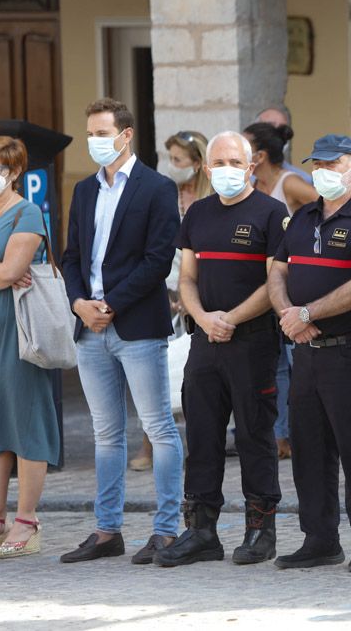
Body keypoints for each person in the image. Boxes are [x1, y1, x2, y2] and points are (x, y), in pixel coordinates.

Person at [151, 131, 287, 567]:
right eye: (219, 162)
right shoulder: (198, 214)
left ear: (251, 167)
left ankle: (260, 530)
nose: (227, 169)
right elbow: (186, 278)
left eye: (236, 161)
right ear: (207, 169)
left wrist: (232, 318)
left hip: (253, 342)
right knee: (203, 437)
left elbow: (275, 283)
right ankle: (202, 531)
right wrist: (205, 318)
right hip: (204, 341)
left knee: (254, 435)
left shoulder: (272, 213)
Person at [60, 98, 184, 566]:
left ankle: (167, 531)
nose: (95, 141)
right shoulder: (84, 190)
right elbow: (72, 257)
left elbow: (158, 260)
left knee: (159, 427)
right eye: (90, 133)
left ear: (126, 135)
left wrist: (109, 305)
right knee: (106, 433)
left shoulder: (156, 187)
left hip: (135, 326)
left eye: (102, 133)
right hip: (89, 328)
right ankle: (107, 530)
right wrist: (79, 304)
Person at [268, 134, 351, 573]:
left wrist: (306, 312)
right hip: (306, 353)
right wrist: (288, 313)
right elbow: (277, 270)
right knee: (309, 450)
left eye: (332, 163)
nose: (322, 172)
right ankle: (319, 540)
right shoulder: (302, 217)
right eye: (316, 164)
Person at [0, 137, 58, 559]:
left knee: (24, 417)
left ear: (16, 172)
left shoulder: (27, 212)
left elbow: (13, 271)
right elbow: (0, 271)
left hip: (17, 331)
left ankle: (27, 519)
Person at [130, 129, 210, 473]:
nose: (172, 166)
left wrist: (192, 297)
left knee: (196, 378)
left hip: (200, 296)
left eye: (178, 160)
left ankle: (199, 447)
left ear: (196, 163)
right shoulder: (165, 195)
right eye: (169, 159)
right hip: (163, 294)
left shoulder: (211, 200)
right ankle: (149, 446)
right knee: (157, 374)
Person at [244, 121, 319, 459]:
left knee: (296, 360)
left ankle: (305, 432)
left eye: (245, 149)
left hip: (293, 286)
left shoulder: (289, 183)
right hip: (261, 286)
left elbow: (326, 208)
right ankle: (279, 436)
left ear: (259, 155)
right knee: (273, 364)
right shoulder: (250, 185)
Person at [255, 105, 313, 184]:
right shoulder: (241, 178)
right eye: (270, 128)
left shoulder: (302, 180)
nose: (276, 136)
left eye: (282, 130)